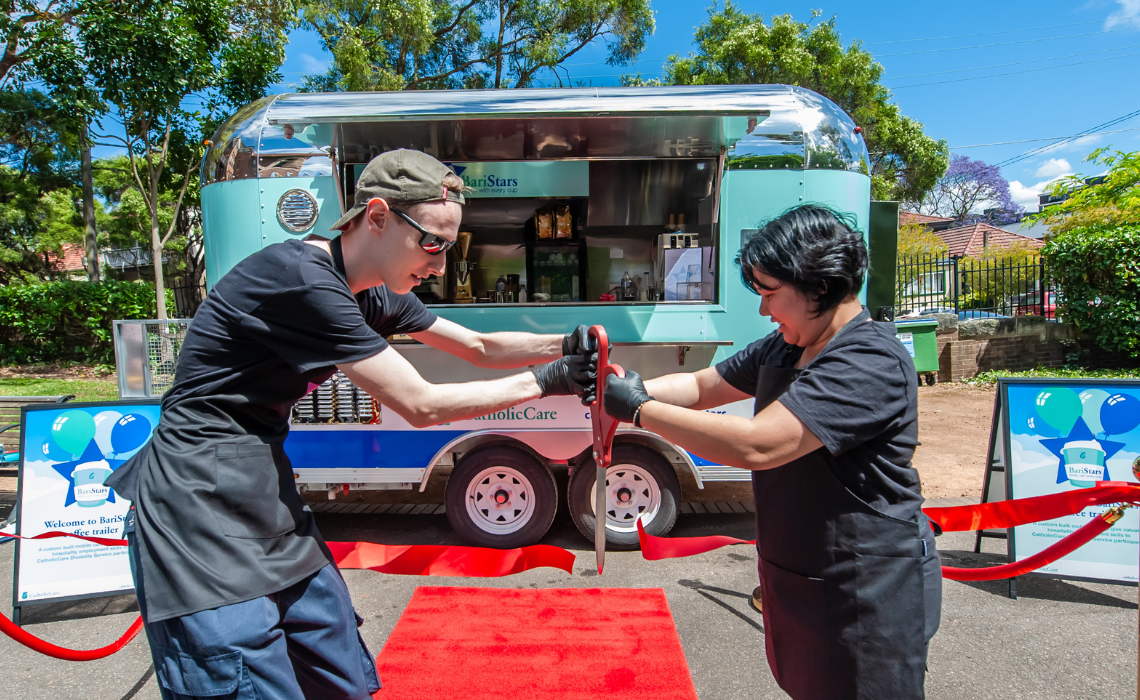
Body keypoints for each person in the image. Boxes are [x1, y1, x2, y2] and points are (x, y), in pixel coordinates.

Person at [106, 149, 597, 700]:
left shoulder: (373, 294)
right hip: (192, 502)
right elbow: (420, 403)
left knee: (339, 670)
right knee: (246, 682)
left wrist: (569, 343)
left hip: (262, 488)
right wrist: (552, 379)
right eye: (431, 243)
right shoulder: (301, 279)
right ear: (379, 216)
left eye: (449, 247)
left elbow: (480, 347)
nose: (440, 265)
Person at [604, 205, 941, 699]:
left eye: (769, 293)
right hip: (803, 575)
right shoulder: (786, 345)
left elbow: (760, 444)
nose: (764, 310)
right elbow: (701, 386)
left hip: (867, 587)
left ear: (819, 286)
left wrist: (638, 410)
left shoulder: (868, 359)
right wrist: (623, 387)